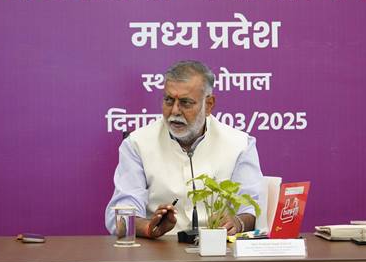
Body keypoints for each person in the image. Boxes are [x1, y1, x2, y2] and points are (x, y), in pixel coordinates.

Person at [105, 60, 263, 238]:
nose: (174, 111)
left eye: (186, 103)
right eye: (168, 100)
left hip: (220, 249)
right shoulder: (137, 144)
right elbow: (118, 218)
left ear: (209, 104)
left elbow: (253, 210)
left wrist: (238, 223)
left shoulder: (240, 144)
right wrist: (149, 227)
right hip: (159, 249)